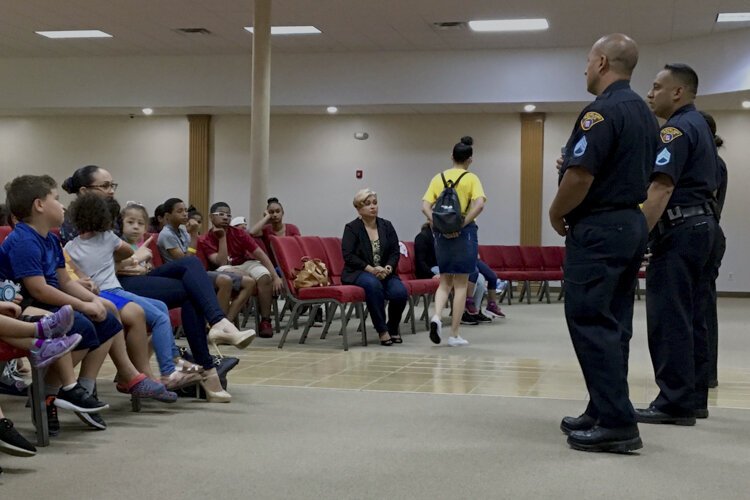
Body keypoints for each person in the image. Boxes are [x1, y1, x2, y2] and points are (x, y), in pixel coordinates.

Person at [550, 34, 657, 453]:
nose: (584, 69)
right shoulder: (645, 115)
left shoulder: (600, 112)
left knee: (591, 322)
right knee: (613, 324)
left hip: (599, 228)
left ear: (600, 62)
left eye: (587, 61)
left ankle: (617, 423)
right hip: (629, 222)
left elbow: (580, 176)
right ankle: (603, 405)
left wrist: (556, 213)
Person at [1, 175, 176, 433]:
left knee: (105, 316)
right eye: (57, 200)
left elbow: (64, 281)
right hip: (25, 305)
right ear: (39, 205)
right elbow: (39, 289)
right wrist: (83, 306)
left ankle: (56, 390)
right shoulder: (24, 240)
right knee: (82, 323)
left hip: (47, 300)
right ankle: (53, 392)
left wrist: (94, 300)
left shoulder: (51, 239)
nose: (63, 207)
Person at [637, 64, 721, 425]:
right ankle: (693, 397)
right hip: (704, 227)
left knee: (669, 317)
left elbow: (661, 187)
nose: (650, 94)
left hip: (681, 230)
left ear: (678, 93)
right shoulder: (700, 125)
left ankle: (673, 402)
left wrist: (638, 237)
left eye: (656, 87)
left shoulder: (674, 130)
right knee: (694, 317)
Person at [65, 194, 202, 390]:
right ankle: (168, 371)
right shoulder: (109, 238)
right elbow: (128, 252)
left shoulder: (71, 245)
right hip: (111, 292)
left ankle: (172, 361)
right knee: (161, 318)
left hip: (95, 294)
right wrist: (119, 259)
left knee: (161, 306)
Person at [422, 136, 486, 347]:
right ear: (470, 159)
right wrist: (462, 224)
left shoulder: (437, 178)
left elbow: (425, 207)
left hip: (441, 235)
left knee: (444, 282)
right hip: (465, 234)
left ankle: (436, 316)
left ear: (451, 156)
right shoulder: (471, 178)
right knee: (461, 284)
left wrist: (439, 225)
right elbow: (479, 204)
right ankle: (454, 334)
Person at [158, 198, 255, 323]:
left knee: (249, 282)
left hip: (193, 272)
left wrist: (192, 235)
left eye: (186, 210)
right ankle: (216, 324)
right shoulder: (166, 234)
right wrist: (194, 235)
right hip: (180, 276)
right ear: (167, 215)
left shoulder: (182, 231)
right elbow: (185, 262)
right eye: (179, 211)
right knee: (225, 281)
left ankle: (226, 324)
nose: (185, 214)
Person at [198, 201, 283, 338]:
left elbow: (260, 254)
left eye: (228, 215)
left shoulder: (239, 233)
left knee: (264, 276)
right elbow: (221, 261)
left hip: (245, 263)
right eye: (221, 214)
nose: (225, 217)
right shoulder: (205, 239)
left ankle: (265, 321)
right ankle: (227, 323)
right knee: (243, 278)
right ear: (211, 217)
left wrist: (275, 276)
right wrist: (222, 237)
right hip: (223, 268)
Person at [341, 189, 408, 345]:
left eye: (375, 203)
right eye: (367, 204)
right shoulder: (352, 228)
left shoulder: (387, 225)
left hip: (385, 271)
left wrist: (388, 268)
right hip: (359, 272)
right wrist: (371, 269)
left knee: (400, 292)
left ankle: (392, 328)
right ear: (358, 208)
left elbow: (394, 251)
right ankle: (382, 330)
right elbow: (349, 256)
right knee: (373, 285)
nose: (373, 207)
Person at [699, 111, 727, 389]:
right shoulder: (713, 163)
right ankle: (704, 373)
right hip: (709, 234)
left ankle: (706, 373)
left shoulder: (713, 165)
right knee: (703, 305)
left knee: (703, 307)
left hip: (703, 234)